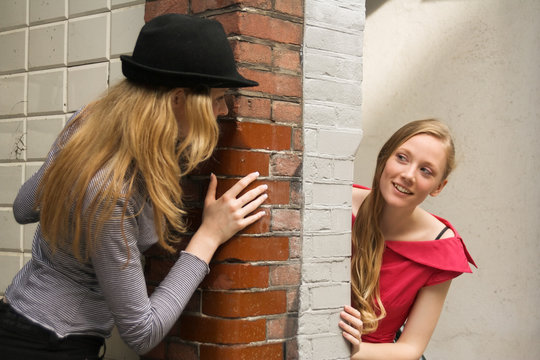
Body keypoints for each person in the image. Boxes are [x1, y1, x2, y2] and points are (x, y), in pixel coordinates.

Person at [0, 14, 267, 359]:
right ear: (178, 99)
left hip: (14, 319)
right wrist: (209, 236)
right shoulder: (114, 194)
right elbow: (140, 332)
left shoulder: (87, 123)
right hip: (52, 346)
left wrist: (76, 159)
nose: (224, 109)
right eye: (218, 98)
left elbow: (24, 208)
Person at [339, 119, 476, 359]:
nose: (408, 175)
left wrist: (349, 350)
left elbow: (411, 348)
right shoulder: (334, 205)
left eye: (426, 170)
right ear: (384, 158)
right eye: (402, 158)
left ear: (438, 187)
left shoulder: (440, 247)